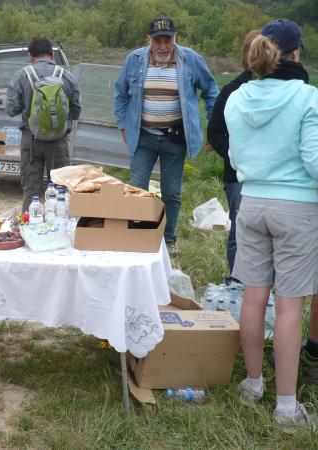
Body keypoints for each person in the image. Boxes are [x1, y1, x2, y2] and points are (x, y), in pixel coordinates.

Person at [225, 19, 318, 431]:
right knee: (290, 306)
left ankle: (252, 385)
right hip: (296, 206)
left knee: (252, 297)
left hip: (253, 202)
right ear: (295, 54)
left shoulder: (236, 98)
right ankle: (285, 407)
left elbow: (233, 155)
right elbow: (314, 161)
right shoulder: (307, 97)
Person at [114, 16, 218, 254]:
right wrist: (122, 125)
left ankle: (168, 238)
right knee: (137, 187)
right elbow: (121, 94)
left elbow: (211, 90)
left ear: (175, 38)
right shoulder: (135, 59)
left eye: (167, 40)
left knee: (171, 191)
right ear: (148, 40)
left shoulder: (190, 59)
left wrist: (213, 126)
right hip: (143, 136)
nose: (162, 46)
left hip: (175, 137)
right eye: (157, 40)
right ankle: (136, 233)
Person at [6, 36, 81, 213]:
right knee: (61, 191)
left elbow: (11, 110)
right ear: (52, 55)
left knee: (31, 192)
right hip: (59, 141)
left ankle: (28, 228)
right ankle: (58, 230)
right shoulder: (67, 77)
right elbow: (76, 111)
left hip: (31, 141)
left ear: (30, 56)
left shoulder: (22, 75)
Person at [207, 30, 260, 274]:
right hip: (237, 175)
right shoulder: (232, 90)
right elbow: (215, 131)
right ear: (246, 57)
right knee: (239, 232)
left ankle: (264, 289)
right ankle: (237, 285)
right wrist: (236, 155)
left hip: (270, 178)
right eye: (253, 52)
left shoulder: (282, 91)